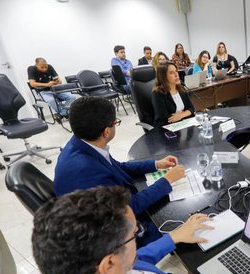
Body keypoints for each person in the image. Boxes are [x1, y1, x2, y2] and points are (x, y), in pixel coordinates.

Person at [31, 186, 214, 274]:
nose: (137, 236)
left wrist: (173, 237)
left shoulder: (68, 269)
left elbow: (133, 260)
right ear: (108, 264)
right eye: (135, 234)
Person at [54, 96, 185, 244]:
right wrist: (167, 180)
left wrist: (156, 164)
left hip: (107, 209)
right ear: (106, 132)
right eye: (115, 123)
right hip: (111, 234)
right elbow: (128, 209)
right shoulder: (85, 171)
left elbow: (118, 167)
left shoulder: (82, 143)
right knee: (182, 218)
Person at [152, 62, 195, 128]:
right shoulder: (158, 93)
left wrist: (181, 115)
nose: (176, 74)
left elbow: (191, 108)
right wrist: (185, 113)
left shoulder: (181, 89)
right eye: (171, 73)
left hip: (183, 124)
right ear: (164, 77)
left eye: (176, 71)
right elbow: (164, 118)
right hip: (166, 128)